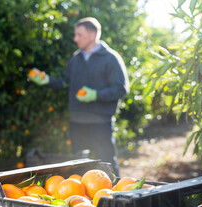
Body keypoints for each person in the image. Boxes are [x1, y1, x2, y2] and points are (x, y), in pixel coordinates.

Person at [28, 17, 129, 176]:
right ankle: (82, 198)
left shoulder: (110, 58)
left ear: (92, 34)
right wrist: (47, 80)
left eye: (79, 35)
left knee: (107, 162)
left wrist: (96, 95)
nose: (75, 39)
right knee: (78, 164)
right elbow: (64, 82)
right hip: (77, 121)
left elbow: (120, 89)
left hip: (100, 121)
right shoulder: (75, 59)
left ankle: (117, 198)